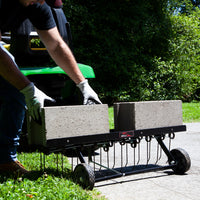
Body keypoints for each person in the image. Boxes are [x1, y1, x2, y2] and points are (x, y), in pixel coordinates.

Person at [0, 0, 101, 176]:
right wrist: (28, 89)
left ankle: (4, 160)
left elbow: (57, 45)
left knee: (14, 83)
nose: (42, 1)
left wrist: (83, 84)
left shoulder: (36, 5)